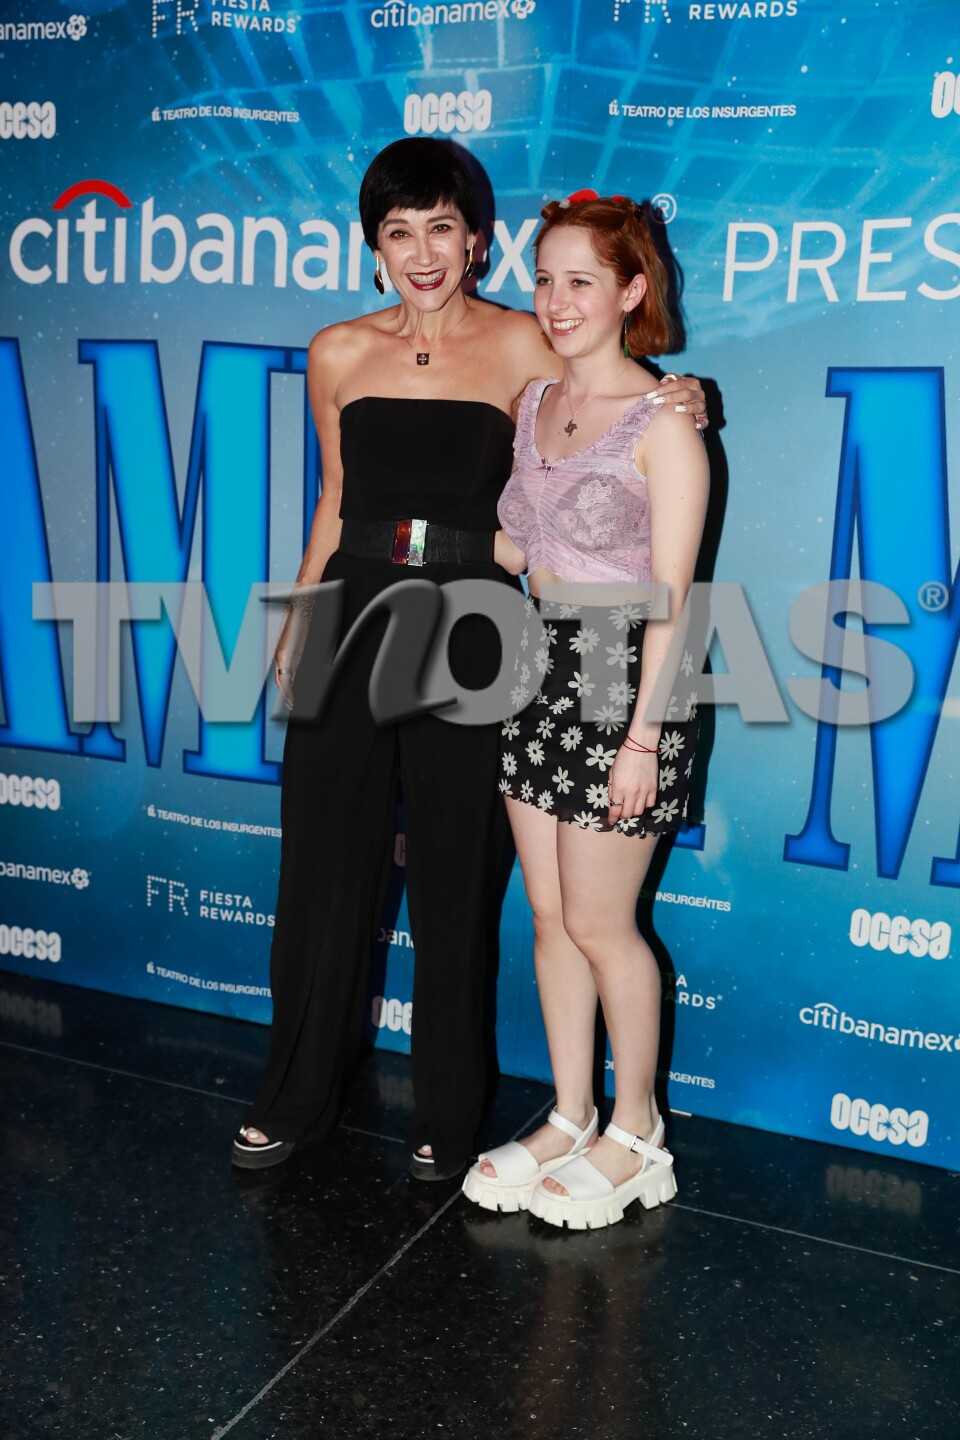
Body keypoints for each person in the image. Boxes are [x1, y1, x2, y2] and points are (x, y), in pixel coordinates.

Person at [231, 143, 709, 1181]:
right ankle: (295, 1095)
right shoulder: (336, 350)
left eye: (441, 227)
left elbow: (613, 392)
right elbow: (332, 495)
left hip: (480, 621)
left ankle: (448, 1114)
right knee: (319, 870)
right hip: (354, 605)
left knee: (457, 874)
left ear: (477, 239)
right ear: (372, 247)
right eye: (398, 232)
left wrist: (685, 398)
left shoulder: (528, 343)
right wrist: (301, 619)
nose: (422, 252)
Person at [461, 190, 709, 1228]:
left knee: (608, 924)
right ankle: (570, 1115)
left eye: (582, 281)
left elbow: (674, 600)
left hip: (628, 679)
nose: (558, 301)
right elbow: (527, 547)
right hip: (537, 664)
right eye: (546, 278)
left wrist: (644, 736)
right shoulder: (534, 405)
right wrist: (421, 549)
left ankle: (638, 1131)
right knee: (554, 919)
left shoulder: (669, 423)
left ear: (631, 291)